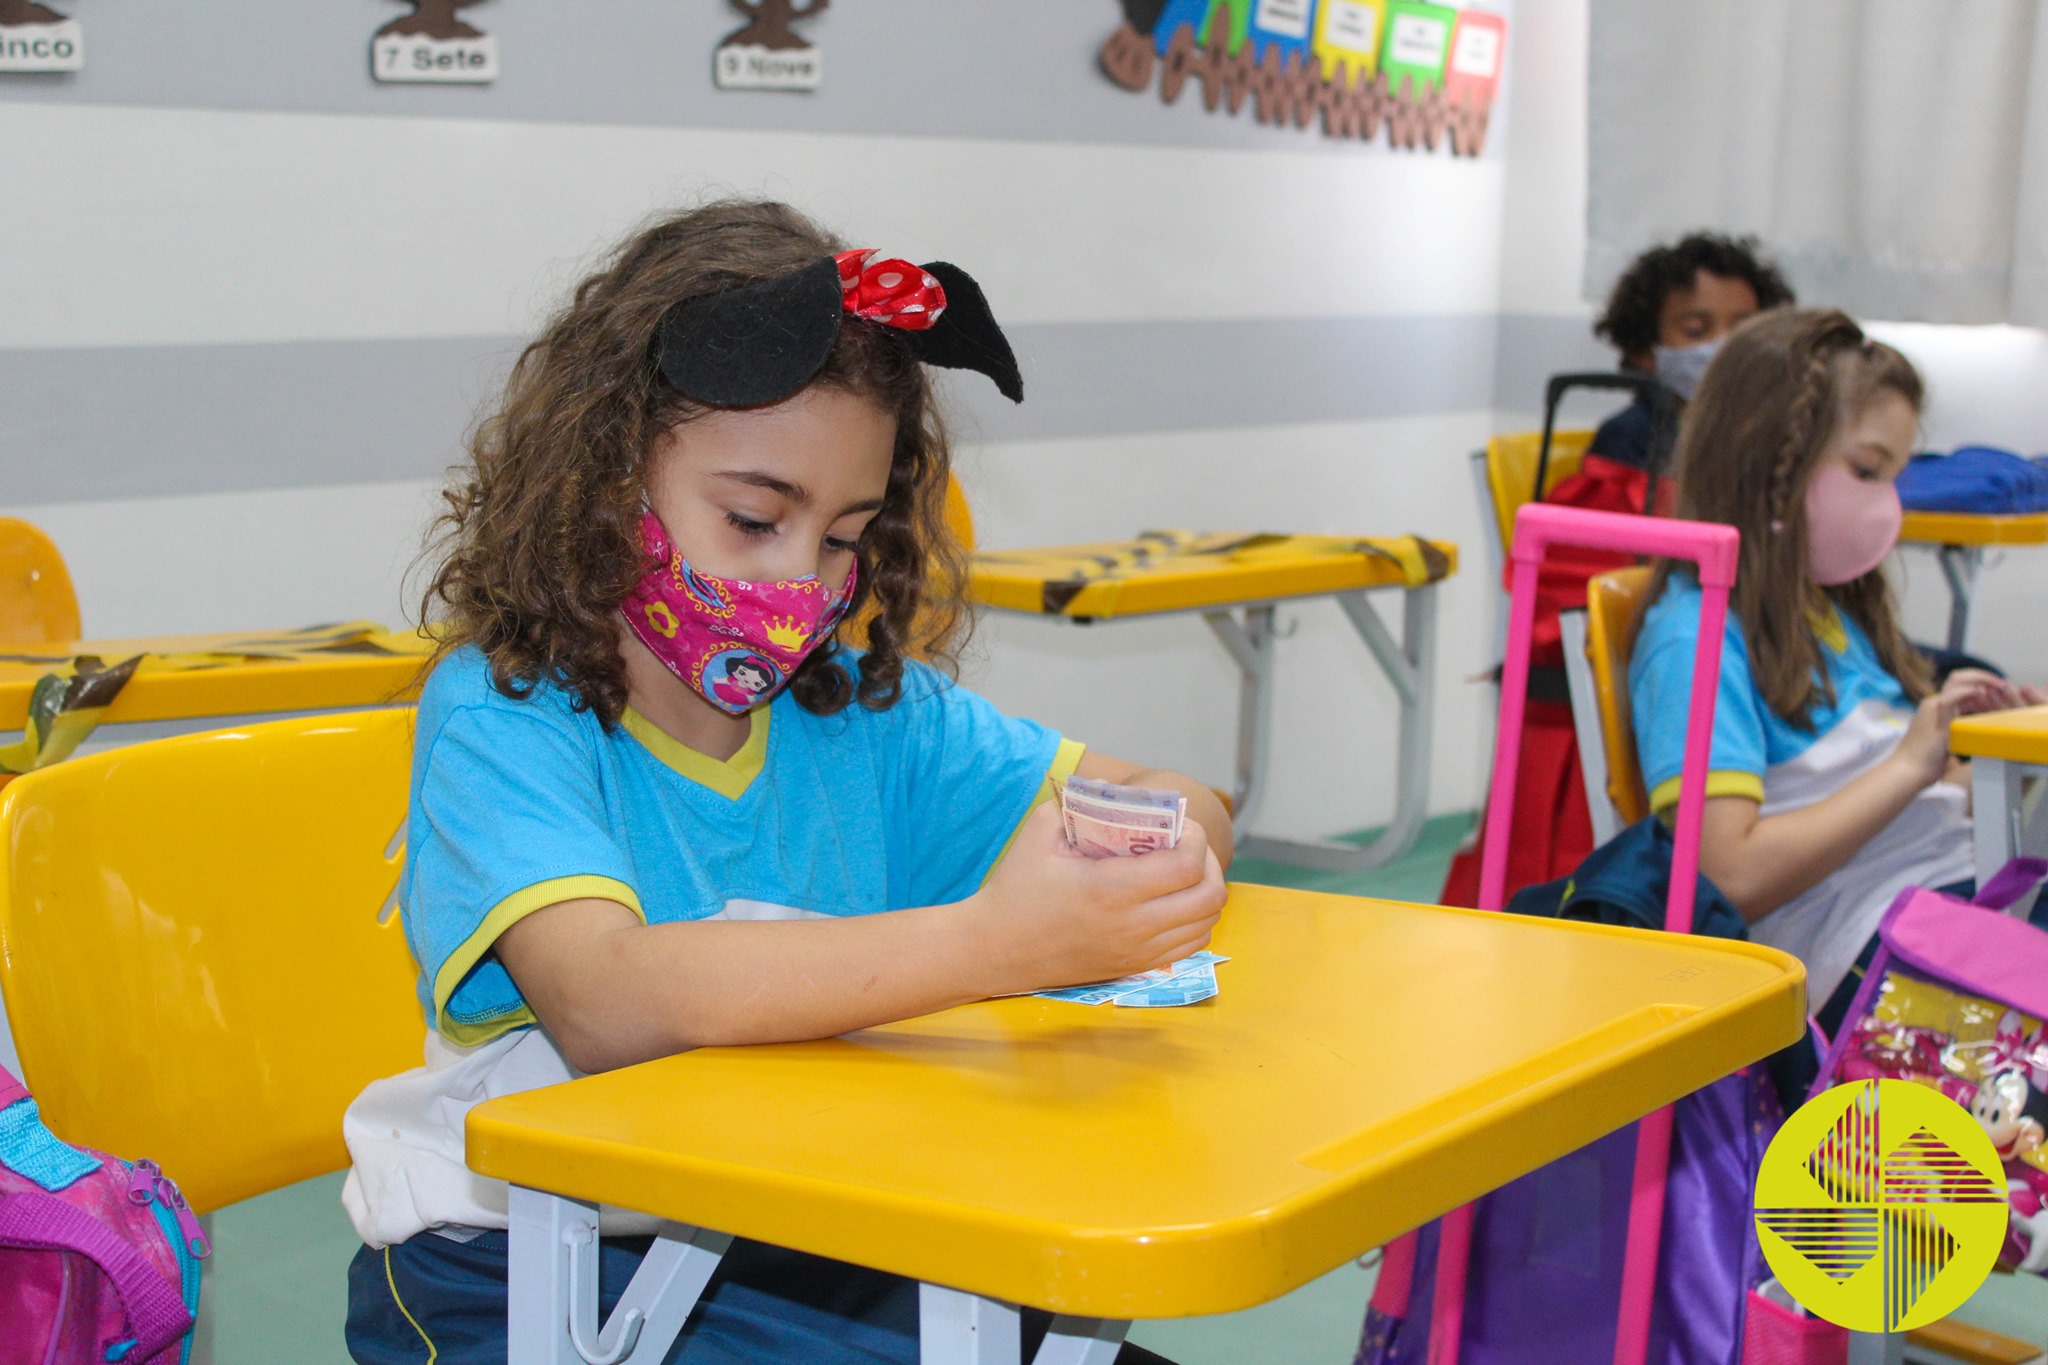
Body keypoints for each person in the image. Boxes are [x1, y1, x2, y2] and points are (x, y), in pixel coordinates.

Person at [339, 200, 1228, 1365]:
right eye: (753, 517)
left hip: (790, 1236)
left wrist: (1138, 851)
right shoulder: (504, 714)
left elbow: (1188, 797)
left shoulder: (859, 709)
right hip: (515, 1269)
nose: (799, 579)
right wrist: (1004, 942)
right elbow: (607, 1003)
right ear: (600, 478)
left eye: (845, 531)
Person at [1630, 309, 2043, 1036]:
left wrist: (1994, 761)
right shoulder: (1695, 634)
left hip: (1937, 899)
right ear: (1771, 460)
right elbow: (1727, 878)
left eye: (1894, 475)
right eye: (1865, 470)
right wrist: (1914, 765)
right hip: (1858, 949)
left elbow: (1905, 803)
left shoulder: (1833, 613)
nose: (1888, 502)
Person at [1588, 231, 1796, 472]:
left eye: (1744, 330)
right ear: (1644, 351)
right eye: (1695, 331)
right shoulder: (1627, 437)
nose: (1725, 345)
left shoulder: (1778, 431)